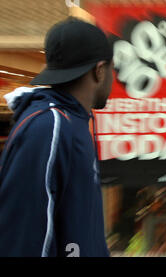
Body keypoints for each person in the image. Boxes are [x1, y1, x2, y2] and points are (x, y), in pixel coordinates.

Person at [0, 17, 114, 257]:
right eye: (112, 69)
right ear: (100, 71)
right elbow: (24, 238)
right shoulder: (49, 127)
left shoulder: (72, 122)